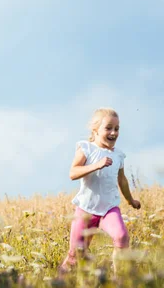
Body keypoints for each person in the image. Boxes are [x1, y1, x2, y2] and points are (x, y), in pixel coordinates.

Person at [60, 108, 141, 272]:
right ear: (95, 130)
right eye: (108, 128)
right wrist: (96, 165)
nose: (113, 132)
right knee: (76, 256)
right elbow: (73, 173)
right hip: (86, 210)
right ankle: (60, 281)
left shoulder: (118, 155)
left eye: (117, 129)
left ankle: (120, 278)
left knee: (121, 237)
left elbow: (122, 180)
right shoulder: (86, 148)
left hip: (109, 209)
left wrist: (130, 200)